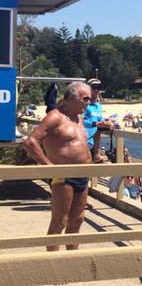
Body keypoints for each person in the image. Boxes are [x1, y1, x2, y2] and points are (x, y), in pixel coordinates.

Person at [23, 81, 94, 251]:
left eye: (89, 99)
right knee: (60, 221)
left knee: (77, 219)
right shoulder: (55, 117)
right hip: (63, 176)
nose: (88, 103)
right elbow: (30, 142)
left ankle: (69, 264)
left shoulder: (79, 118)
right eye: (85, 99)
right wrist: (49, 167)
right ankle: (54, 269)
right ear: (71, 98)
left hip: (83, 174)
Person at [82, 78, 113, 163]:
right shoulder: (84, 104)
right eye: (93, 87)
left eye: (98, 87)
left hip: (91, 143)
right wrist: (96, 124)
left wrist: (107, 124)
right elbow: (80, 121)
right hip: (81, 142)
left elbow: (100, 121)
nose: (96, 90)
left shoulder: (98, 106)